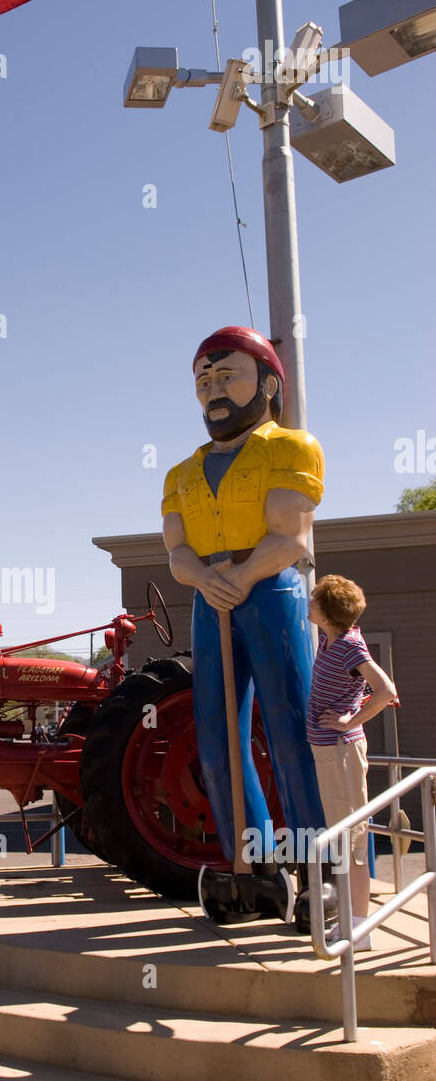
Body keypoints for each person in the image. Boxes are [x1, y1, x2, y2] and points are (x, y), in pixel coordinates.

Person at [162, 326, 325, 907]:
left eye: (227, 374)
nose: (214, 390)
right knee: (216, 737)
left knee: (291, 730)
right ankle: (249, 862)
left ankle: (317, 870)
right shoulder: (181, 473)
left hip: (270, 592)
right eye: (204, 380)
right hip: (211, 599)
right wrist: (206, 579)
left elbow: (291, 538)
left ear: (268, 382)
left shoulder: (290, 447)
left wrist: (241, 576)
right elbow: (178, 552)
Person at [306, 574, 398, 950]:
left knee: (352, 841)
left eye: (314, 601)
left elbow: (386, 690)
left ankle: (360, 928)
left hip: (341, 751)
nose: (309, 605)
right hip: (329, 752)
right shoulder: (329, 641)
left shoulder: (349, 646)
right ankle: (351, 920)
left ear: (327, 612)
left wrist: (349, 720)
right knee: (341, 839)